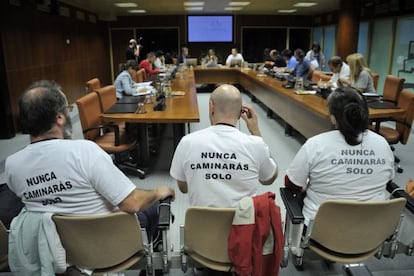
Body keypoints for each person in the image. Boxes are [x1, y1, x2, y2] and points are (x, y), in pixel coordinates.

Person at [5, 80, 175, 231]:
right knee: (155, 207)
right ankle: (152, 263)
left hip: (54, 248)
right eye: (67, 109)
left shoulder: (12, 165)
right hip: (104, 243)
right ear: (60, 118)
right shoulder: (85, 152)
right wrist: (158, 192)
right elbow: (132, 203)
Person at [285, 87, 394, 226]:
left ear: (333, 117)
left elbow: (291, 184)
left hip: (322, 233)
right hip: (372, 232)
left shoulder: (316, 144)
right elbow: (389, 179)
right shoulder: (382, 143)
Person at [170, 84, 278, 207]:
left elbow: (184, 188)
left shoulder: (187, 142)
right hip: (243, 224)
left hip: (201, 225)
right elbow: (269, 178)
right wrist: (255, 131)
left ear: (211, 107)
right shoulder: (256, 144)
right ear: (240, 113)